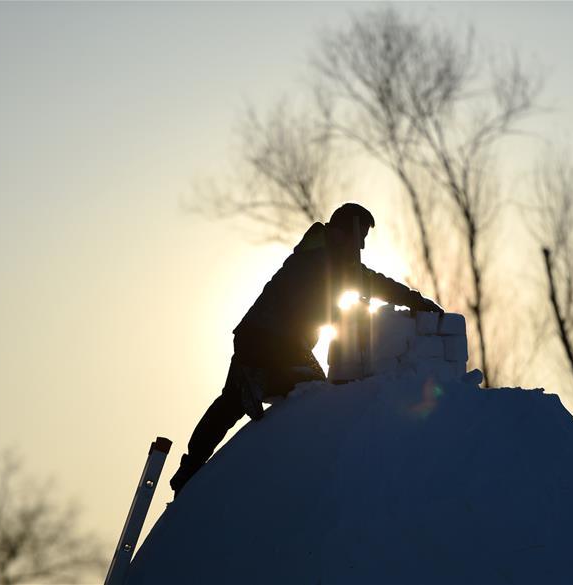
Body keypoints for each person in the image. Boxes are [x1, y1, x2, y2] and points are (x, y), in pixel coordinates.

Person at [169, 202, 442, 497]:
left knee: (230, 405)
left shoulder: (322, 258)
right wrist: (346, 314)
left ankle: (190, 468)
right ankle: (263, 385)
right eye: (360, 235)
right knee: (312, 391)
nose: (362, 244)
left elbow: (369, 283)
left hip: (258, 339)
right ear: (347, 231)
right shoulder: (322, 261)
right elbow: (331, 298)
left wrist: (413, 299)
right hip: (274, 342)